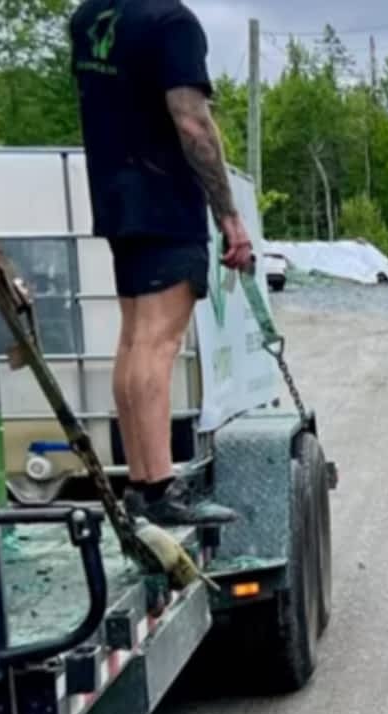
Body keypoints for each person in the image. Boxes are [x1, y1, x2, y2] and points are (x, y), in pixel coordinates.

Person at [69, 0, 253, 526]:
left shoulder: (89, 18)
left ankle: (141, 482)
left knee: (133, 339)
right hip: (162, 197)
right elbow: (192, 122)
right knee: (157, 342)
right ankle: (159, 493)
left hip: (114, 196)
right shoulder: (171, 22)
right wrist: (228, 214)